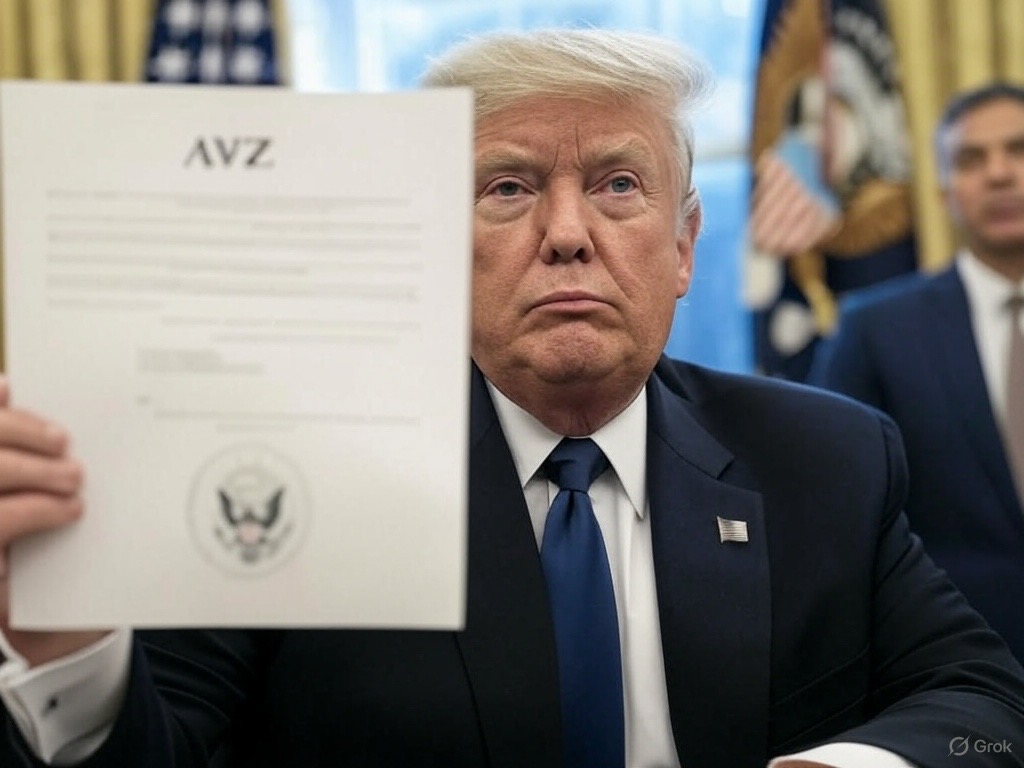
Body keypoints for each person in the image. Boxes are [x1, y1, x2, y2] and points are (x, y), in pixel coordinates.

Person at [1, 30, 1023, 768]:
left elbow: (983, 706)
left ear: (683, 248)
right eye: (508, 188)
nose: (568, 234)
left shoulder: (825, 459)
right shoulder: (290, 476)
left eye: (618, 184)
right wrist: (68, 648)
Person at [809, 82, 1024, 664]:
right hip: (954, 663)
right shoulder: (875, 330)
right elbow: (836, 511)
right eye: (971, 159)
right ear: (945, 192)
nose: (1000, 174)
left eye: (1018, 150)